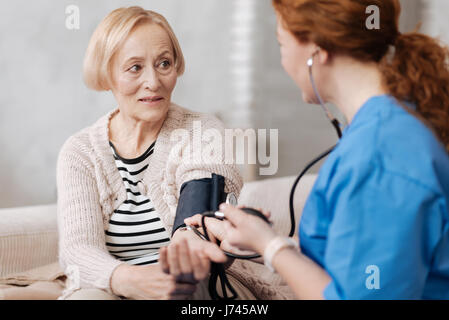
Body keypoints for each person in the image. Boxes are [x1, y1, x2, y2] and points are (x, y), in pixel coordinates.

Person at [161, 0, 449, 299]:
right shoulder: (381, 130)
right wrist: (260, 241)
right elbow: (354, 261)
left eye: (282, 45)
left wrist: (271, 247)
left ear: (316, 50)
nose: (284, 62)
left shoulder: (379, 155)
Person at [56, 6, 254, 300]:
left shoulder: (203, 131)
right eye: (135, 67)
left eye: (164, 63)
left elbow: (201, 193)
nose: (154, 81)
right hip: (117, 287)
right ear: (107, 74)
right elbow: (77, 251)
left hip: (198, 285)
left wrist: (189, 239)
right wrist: (129, 280)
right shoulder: (80, 152)